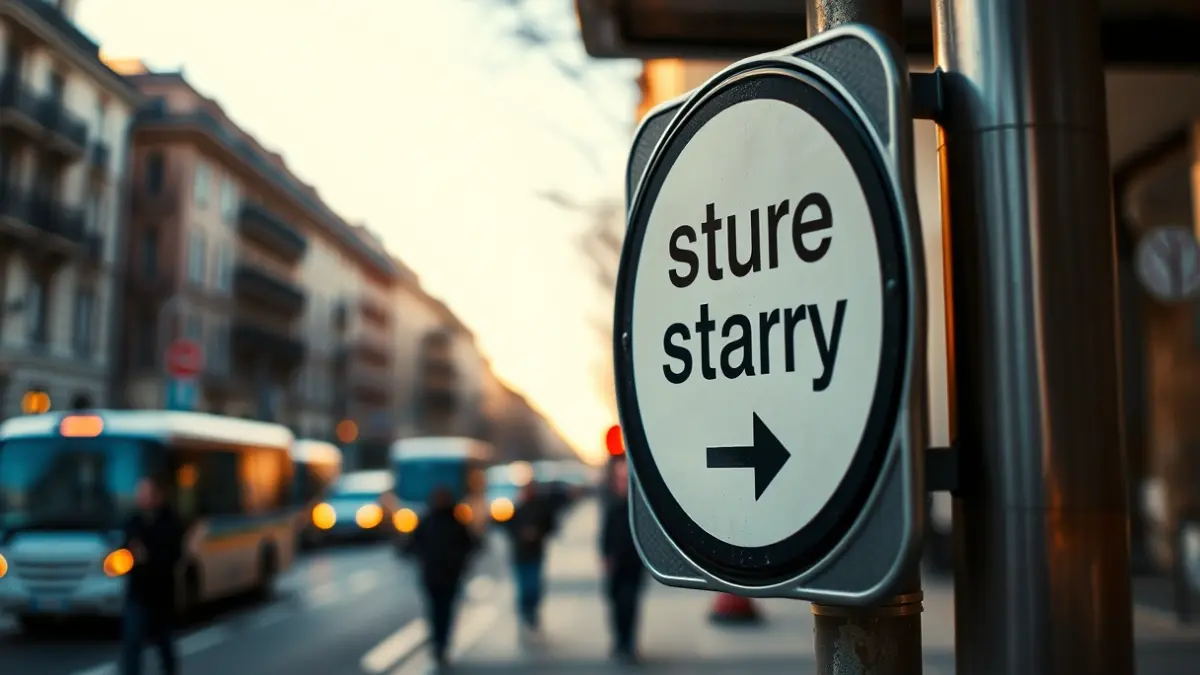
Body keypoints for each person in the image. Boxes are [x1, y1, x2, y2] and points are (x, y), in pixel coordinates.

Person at [121, 476, 185, 675]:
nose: (140, 497)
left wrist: (148, 555)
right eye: (139, 492)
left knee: (164, 643)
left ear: (157, 496)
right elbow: (126, 551)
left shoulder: (170, 522)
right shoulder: (133, 521)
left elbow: (173, 555)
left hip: (161, 595)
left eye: (145, 493)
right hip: (137, 593)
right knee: (132, 643)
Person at [411, 486, 478, 669]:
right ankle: (440, 644)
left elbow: (470, 544)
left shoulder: (444, 521)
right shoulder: (439, 521)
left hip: (443, 575)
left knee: (441, 611)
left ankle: (440, 644)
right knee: (440, 611)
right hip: (440, 575)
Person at [600, 456, 645, 663]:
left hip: (633, 563)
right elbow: (605, 534)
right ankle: (619, 641)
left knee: (630, 604)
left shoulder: (638, 506)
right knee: (616, 603)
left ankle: (628, 643)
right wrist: (605, 557)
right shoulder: (611, 504)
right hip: (616, 563)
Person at [503, 481, 559, 637]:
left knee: (533, 585)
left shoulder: (541, 509)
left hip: (535, 553)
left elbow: (550, 526)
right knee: (523, 586)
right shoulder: (517, 509)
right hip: (520, 554)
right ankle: (525, 613)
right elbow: (507, 526)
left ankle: (532, 612)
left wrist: (537, 534)